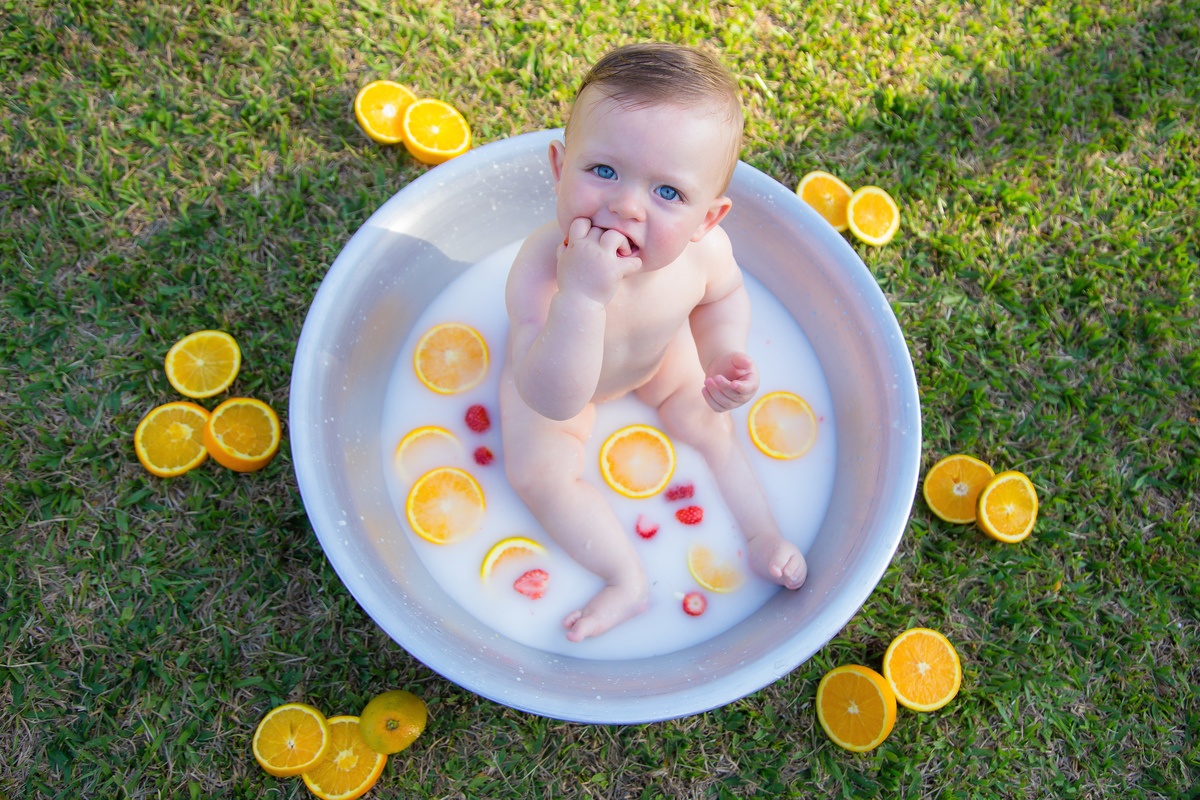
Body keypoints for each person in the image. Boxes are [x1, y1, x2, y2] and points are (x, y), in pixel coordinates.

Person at [499, 42, 806, 642]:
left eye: (668, 193)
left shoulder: (705, 256)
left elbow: (723, 297)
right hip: (546, 385)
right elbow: (553, 398)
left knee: (710, 429)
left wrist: (723, 357)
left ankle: (761, 532)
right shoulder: (543, 264)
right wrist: (582, 297)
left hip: (658, 362)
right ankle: (625, 579)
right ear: (561, 170)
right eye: (604, 171)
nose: (625, 205)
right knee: (540, 473)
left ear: (707, 220)